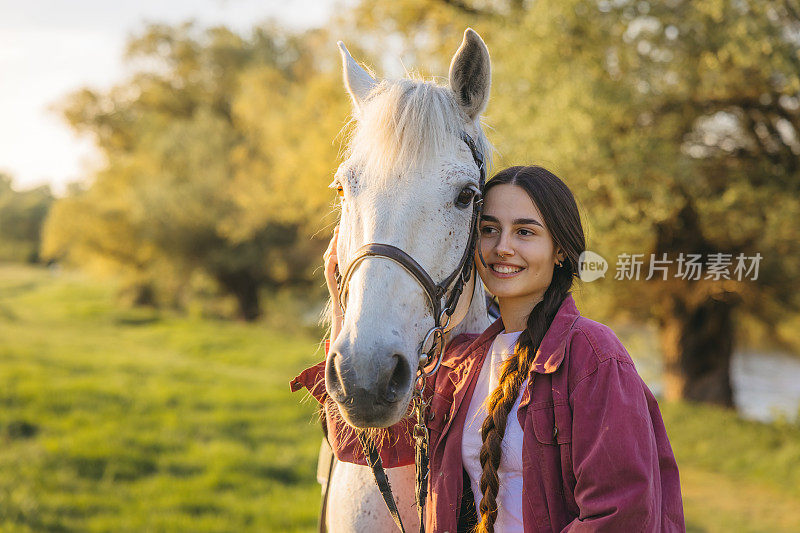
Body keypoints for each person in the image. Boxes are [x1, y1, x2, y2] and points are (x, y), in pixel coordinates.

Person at [292, 165, 685, 532]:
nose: (502, 247)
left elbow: (622, 515)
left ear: (561, 250)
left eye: (525, 232)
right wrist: (344, 306)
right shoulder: (464, 362)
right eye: (489, 229)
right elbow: (363, 444)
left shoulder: (592, 357)